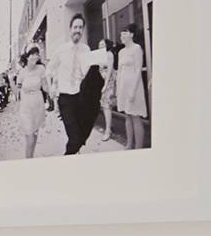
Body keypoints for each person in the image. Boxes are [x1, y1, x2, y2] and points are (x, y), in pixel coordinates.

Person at [47, 13, 112, 156]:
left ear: (83, 30)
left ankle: (72, 152)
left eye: (80, 27)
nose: (78, 30)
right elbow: (49, 70)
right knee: (75, 136)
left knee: (79, 135)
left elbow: (89, 73)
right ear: (70, 29)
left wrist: (101, 73)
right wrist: (51, 86)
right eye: (75, 27)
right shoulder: (61, 50)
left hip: (81, 97)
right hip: (65, 98)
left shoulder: (86, 50)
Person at [116, 24, 148, 150]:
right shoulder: (121, 52)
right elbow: (119, 71)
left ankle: (138, 147)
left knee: (135, 116)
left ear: (131, 35)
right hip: (123, 88)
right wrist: (118, 90)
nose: (121, 36)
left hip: (134, 88)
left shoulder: (137, 49)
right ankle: (129, 144)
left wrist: (133, 91)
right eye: (121, 34)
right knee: (127, 115)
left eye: (124, 33)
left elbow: (138, 70)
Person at [15, 43, 49, 159]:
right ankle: (28, 160)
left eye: (37, 54)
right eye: (32, 54)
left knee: (35, 134)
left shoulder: (41, 69)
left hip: (38, 105)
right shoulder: (22, 72)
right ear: (27, 56)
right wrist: (10, 81)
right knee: (29, 136)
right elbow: (17, 92)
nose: (35, 57)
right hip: (26, 107)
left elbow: (45, 87)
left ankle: (31, 157)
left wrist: (53, 88)